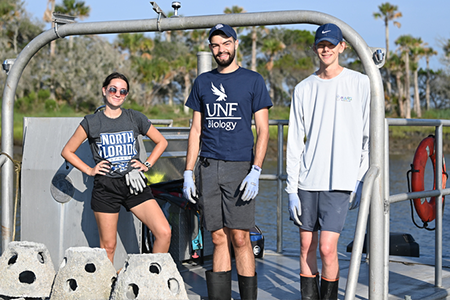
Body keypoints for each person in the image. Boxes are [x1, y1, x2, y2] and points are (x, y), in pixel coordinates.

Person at [182, 24, 272, 300]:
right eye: (215, 46)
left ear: (234, 44)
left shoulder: (253, 81)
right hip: (208, 168)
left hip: (239, 168)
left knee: (240, 238)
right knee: (218, 237)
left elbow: (263, 130)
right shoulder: (202, 82)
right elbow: (196, 130)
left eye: (225, 44)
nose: (221, 50)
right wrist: (188, 172)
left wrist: (256, 170)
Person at [286, 23, 370, 300]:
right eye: (321, 45)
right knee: (305, 246)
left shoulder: (360, 83)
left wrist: (359, 179)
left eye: (331, 44)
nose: (326, 49)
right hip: (308, 182)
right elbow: (296, 142)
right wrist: (291, 189)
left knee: (327, 247)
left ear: (342, 47)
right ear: (315, 48)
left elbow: (369, 137)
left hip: (341, 182)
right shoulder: (303, 89)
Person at [61, 72, 171, 264]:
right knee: (108, 247)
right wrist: (90, 170)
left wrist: (146, 165)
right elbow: (68, 151)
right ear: (104, 91)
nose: (117, 93)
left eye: (123, 91)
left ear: (126, 95)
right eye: (113, 89)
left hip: (134, 184)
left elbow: (161, 141)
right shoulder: (92, 122)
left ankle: (152, 279)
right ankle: (107, 290)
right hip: (106, 188)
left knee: (164, 232)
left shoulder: (134, 117)